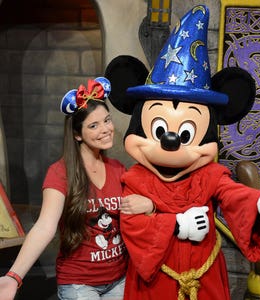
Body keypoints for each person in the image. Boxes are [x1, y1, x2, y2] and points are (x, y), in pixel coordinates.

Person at [0, 77, 154, 300]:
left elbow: (138, 218)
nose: (106, 129)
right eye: (94, 125)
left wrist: (149, 206)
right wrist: (14, 276)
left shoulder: (118, 169)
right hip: (79, 283)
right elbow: (45, 226)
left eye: (107, 120)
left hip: (119, 279)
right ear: (77, 134)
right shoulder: (60, 172)